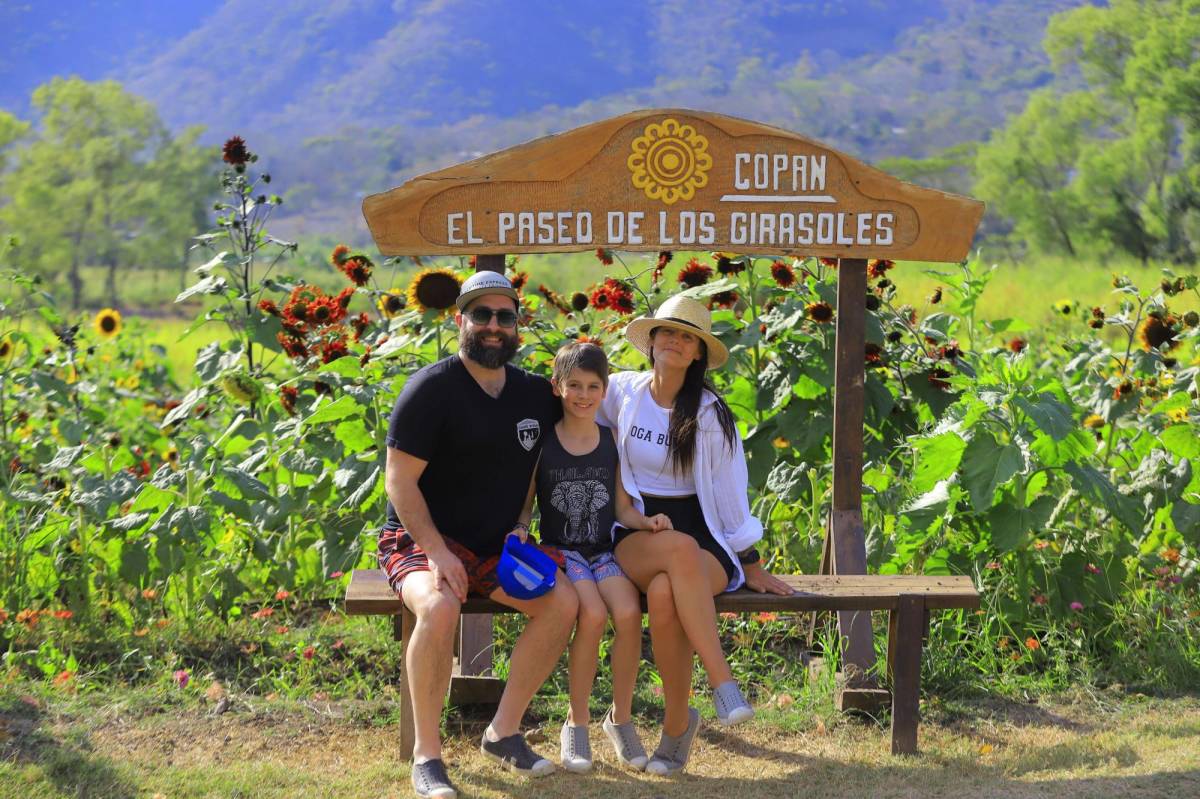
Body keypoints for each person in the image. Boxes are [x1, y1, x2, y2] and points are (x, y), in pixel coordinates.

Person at [379, 270, 579, 799]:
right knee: (440, 607)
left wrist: (521, 522)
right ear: (460, 319)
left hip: (496, 546)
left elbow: (542, 460)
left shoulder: (536, 394)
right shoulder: (430, 390)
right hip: (422, 540)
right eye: (482, 315)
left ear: (517, 325)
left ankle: (503, 731)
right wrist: (438, 553)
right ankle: (427, 755)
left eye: (505, 316)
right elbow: (398, 481)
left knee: (562, 603)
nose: (494, 326)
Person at [598, 293, 793, 776]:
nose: (677, 342)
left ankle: (675, 728)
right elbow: (566, 392)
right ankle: (722, 682)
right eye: (669, 332)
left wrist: (750, 561)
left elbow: (729, 494)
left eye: (690, 338)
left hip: (703, 534)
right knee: (674, 552)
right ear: (652, 340)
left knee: (666, 592)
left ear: (699, 354)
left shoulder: (709, 414)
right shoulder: (622, 392)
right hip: (640, 529)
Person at [512, 341, 671, 773]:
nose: (584, 395)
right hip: (562, 554)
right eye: (574, 386)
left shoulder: (610, 440)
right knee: (594, 615)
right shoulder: (545, 444)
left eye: (593, 387)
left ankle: (620, 719)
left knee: (626, 613)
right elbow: (527, 504)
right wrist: (520, 530)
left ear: (604, 390)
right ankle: (575, 722)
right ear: (557, 387)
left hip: (604, 550)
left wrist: (647, 522)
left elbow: (621, 508)